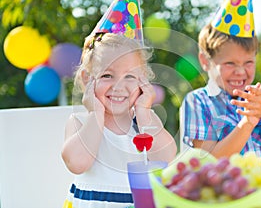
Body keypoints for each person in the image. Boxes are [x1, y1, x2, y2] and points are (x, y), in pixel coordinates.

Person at [180, 0, 261, 173]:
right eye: (230, 63)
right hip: (228, 200)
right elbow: (208, 163)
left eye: (248, 62)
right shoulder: (198, 102)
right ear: (205, 61)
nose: (240, 71)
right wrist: (247, 123)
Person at [61, 32, 177, 208]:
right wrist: (96, 114)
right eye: (107, 75)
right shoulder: (80, 121)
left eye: (130, 77)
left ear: (143, 82)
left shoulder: (145, 121)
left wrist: (144, 112)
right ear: (87, 79)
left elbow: (165, 158)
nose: (118, 86)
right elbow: (77, 163)